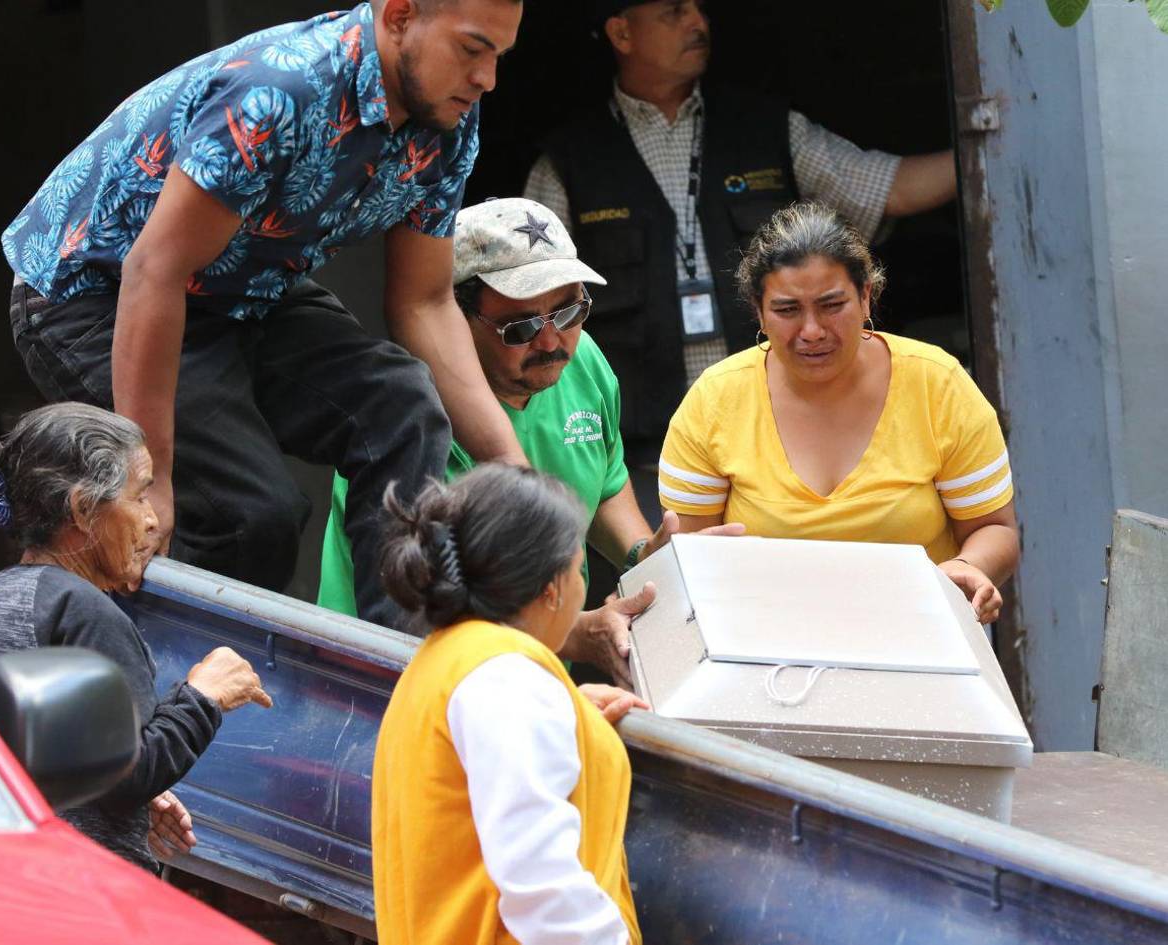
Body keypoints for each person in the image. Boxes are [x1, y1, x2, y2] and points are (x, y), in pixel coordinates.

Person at [3, 0, 525, 628]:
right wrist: (151, 480)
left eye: (500, 56)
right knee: (247, 515)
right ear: (399, 16)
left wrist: (514, 472)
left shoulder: (447, 115)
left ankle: (400, 667)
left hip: (244, 289)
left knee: (402, 407)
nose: (487, 78)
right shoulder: (282, 90)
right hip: (98, 293)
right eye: (471, 50)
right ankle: (184, 680)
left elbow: (425, 301)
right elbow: (155, 271)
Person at [524, 0, 959, 514]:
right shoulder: (570, 159)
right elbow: (533, 305)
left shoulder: (765, 126)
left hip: (775, 458)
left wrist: (986, 142)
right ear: (622, 33)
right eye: (674, 12)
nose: (698, 22)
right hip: (640, 465)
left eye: (700, 9)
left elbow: (892, 190)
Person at [318, 197, 742, 683]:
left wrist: (648, 558)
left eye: (568, 312)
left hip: (528, 674)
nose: (550, 342)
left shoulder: (583, 363)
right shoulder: (408, 419)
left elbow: (602, 483)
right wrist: (578, 633)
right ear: (455, 321)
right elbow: (434, 616)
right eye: (519, 327)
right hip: (385, 676)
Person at [0, 403, 273, 871]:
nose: (153, 520)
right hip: (74, 884)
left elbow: (47, 762)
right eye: (139, 496)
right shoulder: (80, 607)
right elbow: (126, 777)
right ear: (82, 509)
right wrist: (205, 696)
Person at [659, 202, 1018, 622]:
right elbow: (685, 556)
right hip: (763, 642)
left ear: (866, 296)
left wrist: (967, 567)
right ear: (759, 310)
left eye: (831, 305)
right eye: (787, 310)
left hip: (919, 632)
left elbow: (994, 528)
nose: (812, 331)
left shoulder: (937, 384)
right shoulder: (714, 401)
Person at [372, 463, 646, 945]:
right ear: (552, 588)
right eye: (577, 568)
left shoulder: (449, 661)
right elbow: (541, 883)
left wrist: (570, 714)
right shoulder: (508, 683)